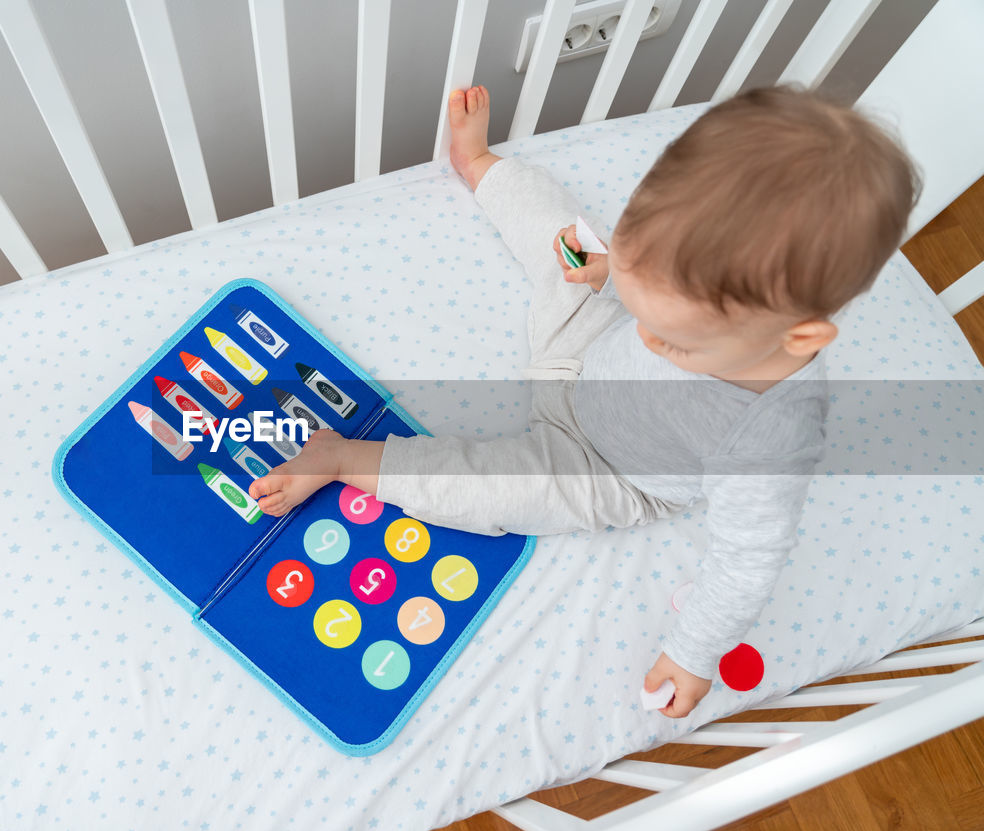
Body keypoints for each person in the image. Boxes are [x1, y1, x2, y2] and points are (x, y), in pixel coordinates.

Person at [249, 84, 918, 717]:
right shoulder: (681, 285)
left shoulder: (773, 438)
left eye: (679, 342)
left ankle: (340, 457)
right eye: (649, 289)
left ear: (799, 336)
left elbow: (746, 562)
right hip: (589, 353)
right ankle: (481, 165)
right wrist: (614, 271)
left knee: (489, 494)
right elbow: (646, 279)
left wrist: (692, 655)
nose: (655, 344)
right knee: (571, 244)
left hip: (611, 473)